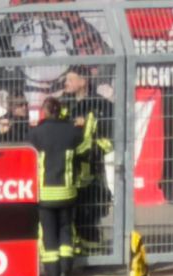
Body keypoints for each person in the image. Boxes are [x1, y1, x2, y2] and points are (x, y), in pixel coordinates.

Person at [28, 95, 84, 276]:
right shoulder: (72, 131)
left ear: (44, 112)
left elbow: (28, 157)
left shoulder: (36, 134)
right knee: (66, 229)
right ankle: (66, 272)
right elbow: (83, 151)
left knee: (48, 234)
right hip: (67, 192)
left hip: (45, 194)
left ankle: (52, 275)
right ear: (60, 111)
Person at [61, 66, 113, 256]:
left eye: (70, 79)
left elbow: (110, 138)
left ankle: (92, 255)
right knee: (69, 212)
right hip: (67, 169)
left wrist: (92, 150)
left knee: (90, 212)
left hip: (91, 169)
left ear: (83, 81)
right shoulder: (63, 106)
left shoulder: (101, 105)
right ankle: (74, 251)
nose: (66, 83)